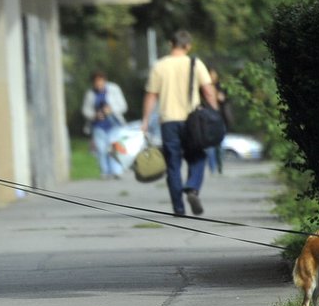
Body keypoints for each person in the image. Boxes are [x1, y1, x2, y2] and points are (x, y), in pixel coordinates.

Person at [140, 30, 219, 216]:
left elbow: (151, 96)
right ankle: (192, 188)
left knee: (173, 164)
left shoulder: (159, 66)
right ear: (188, 46)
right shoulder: (195, 63)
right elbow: (208, 91)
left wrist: (145, 120)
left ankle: (178, 208)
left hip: (168, 122)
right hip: (193, 122)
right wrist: (214, 113)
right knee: (197, 156)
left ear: (171, 44)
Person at [81, 70, 128, 179]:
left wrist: (111, 110)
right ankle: (105, 171)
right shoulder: (90, 93)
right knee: (101, 149)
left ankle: (116, 170)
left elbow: (123, 106)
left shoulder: (114, 89)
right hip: (98, 125)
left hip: (114, 123)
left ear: (105, 81)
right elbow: (85, 110)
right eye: (96, 83)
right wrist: (94, 115)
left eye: (100, 82)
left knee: (114, 148)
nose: (99, 85)